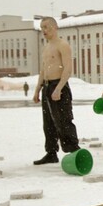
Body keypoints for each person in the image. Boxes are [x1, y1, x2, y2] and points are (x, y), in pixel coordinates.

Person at [32, 17, 81, 165]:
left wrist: (59, 88)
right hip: (47, 87)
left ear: (55, 27)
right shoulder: (47, 47)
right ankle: (51, 152)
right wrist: (37, 89)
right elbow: (43, 70)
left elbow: (68, 69)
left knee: (64, 120)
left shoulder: (62, 45)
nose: (43, 31)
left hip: (59, 86)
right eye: (41, 28)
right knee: (48, 122)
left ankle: (75, 151)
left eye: (46, 27)